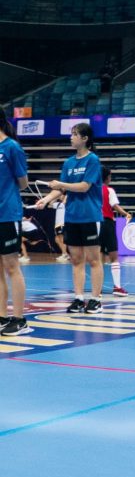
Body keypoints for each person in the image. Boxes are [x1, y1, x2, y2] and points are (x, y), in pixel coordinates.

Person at [36, 123, 104, 314]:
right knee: (76, 260)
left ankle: (96, 299)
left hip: (90, 216)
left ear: (85, 139)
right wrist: (46, 200)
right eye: (71, 134)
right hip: (72, 217)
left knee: (93, 259)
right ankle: (79, 298)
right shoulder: (68, 163)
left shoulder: (92, 160)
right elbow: (60, 189)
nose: (71, 137)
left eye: (75, 134)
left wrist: (61, 183)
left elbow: (84, 187)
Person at [0, 106, 31, 337]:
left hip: (8, 214)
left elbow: (23, 182)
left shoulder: (11, 147)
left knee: (12, 266)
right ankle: (2, 317)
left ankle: (19, 319)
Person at [100, 166, 131, 297]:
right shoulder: (109, 190)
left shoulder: (91, 189)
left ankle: (98, 290)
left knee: (99, 257)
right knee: (114, 256)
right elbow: (114, 205)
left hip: (94, 223)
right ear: (107, 177)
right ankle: (117, 287)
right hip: (107, 223)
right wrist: (126, 214)